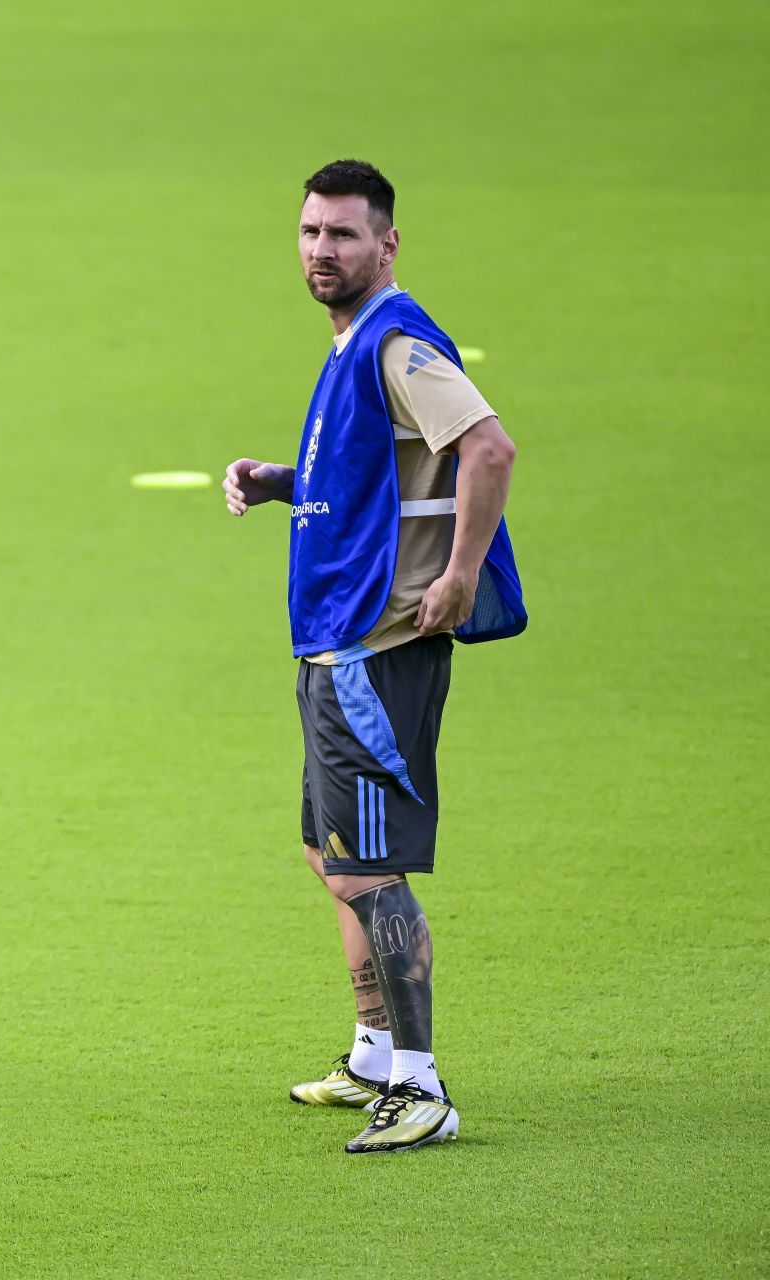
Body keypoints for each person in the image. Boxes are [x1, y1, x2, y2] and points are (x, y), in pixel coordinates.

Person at [223, 159, 525, 1154]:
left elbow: (488, 447)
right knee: (331, 853)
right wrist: (279, 482)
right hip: (336, 642)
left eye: (344, 234)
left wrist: (459, 575)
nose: (322, 250)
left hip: (378, 647)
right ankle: (374, 1056)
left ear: (386, 244)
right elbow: (380, 470)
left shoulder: (395, 342)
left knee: (371, 869)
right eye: (311, 232)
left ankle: (424, 1086)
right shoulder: (354, 346)